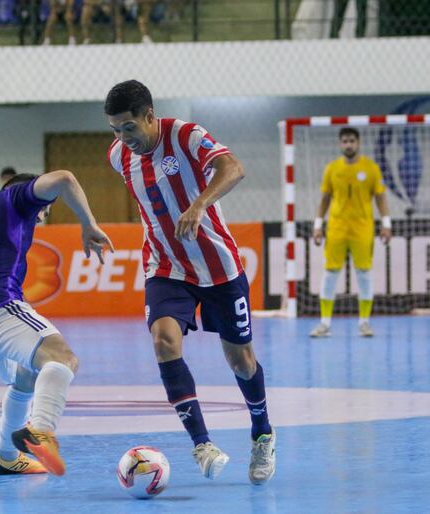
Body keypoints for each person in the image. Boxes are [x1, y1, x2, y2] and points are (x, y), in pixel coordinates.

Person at [104, 80, 276, 485]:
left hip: (218, 267)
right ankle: (202, 444)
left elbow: (233, 167)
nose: (122, 138)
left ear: (150, 116)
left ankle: (263, 432)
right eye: (115, 130)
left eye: (129, 127)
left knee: (241, 360)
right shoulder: (118, 157)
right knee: (164, 341)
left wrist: (198, 204)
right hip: (165, 266)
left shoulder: (185, 135)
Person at [0, 171, 113, 476]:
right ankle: (40, 430)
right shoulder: (13, 199)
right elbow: (65, 179)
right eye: (42, 210)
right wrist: (88, 223)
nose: (40, 218)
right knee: (62, 358)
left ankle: (6, 456)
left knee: (26, 377)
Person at [309, 127, 391, 338]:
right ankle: (324, 323)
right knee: (330, 274)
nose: (348, 144)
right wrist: (318, 225)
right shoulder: (332, 169)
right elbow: (325, 199)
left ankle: (364, 322)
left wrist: (386, 223)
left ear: (358, 142)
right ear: (340, 144)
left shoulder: (371, 168)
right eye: (345, 141)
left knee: (364, 273)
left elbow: (381, 198)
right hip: (336, 228)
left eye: (352, 141)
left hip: (363, 229)